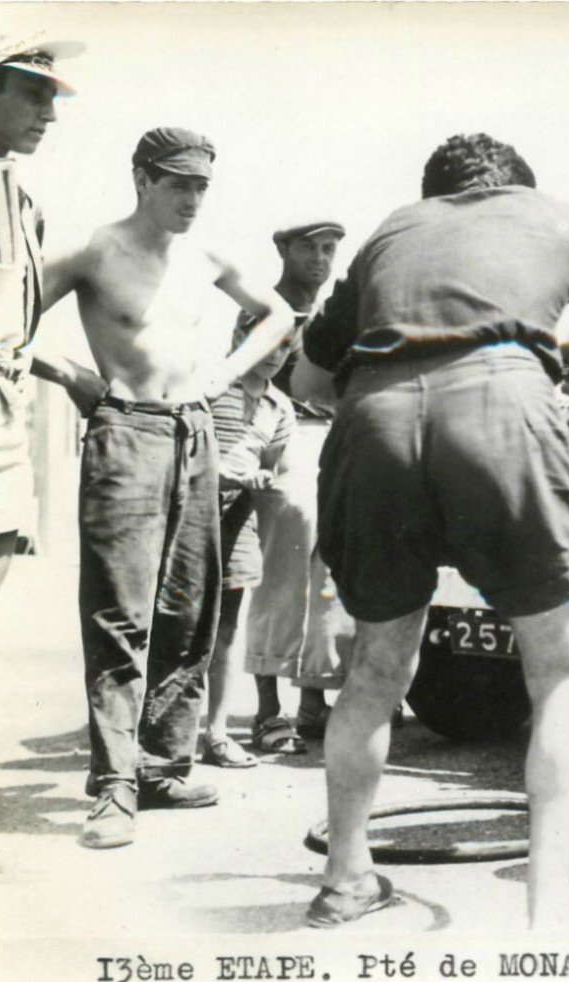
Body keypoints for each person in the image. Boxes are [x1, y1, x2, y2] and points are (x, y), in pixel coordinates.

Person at [290, 132, 569, 929]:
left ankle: (345, 877)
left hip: (374, 420)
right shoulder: (553, 215)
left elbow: (311, 378)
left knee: (377, 668)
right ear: (515, 184)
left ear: (437, 191)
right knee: (557, 670)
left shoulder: (394, 227)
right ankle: (545, 915)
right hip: (504, 410)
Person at [43, 128, 294, 849]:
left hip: (197, 431)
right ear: (142, 179)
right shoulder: (96, 250)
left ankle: (160, 764)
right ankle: (114, 785)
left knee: (190, 607)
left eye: (201, 186)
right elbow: (4, 316)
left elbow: (279, 313)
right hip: (128, 432)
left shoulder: (206, 255)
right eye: (177, 183)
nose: (191, 199)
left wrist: (225, 374)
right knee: (120, 613)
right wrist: (72, 376)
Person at [0, 19, 104, 873]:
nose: (48, 110)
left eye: (54, 95)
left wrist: (65, 370)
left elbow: (8, 325)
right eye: (30, 90)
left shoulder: (21, 199)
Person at [237, 220, 352, 756]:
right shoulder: (262, 308)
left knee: (332, 571)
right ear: (282, 247)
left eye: (330, 248)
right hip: (284, 437)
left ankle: (314, 699)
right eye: (309, 246)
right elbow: (250, 385)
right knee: (283, 568)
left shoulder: (338, 314)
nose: (320, 257)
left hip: (335, 435)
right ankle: (268, 708)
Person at [198, 343, 296, 768]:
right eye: (269, 342)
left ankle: (216, 735)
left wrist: (264, 478)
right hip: (189, 514)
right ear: (242, 334)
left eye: (286, 346)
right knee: (179, 626)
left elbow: (278, 465)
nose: (276, 354)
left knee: (228, 630)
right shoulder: (212, 385)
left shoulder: (279, 405)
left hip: (239, 519)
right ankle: (163, 735)